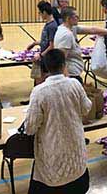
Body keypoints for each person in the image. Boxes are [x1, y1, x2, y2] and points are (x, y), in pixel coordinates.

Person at [25, 49, 92, 194]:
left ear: (46, 68)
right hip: (77, 156)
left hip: (53, 159)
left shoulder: (39, 92)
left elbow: (30, 128)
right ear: (64, 65)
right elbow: (86, 108)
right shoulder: (74, 84)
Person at [54, 7, 107, 84]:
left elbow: (92, 29)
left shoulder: (72, 28)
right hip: (71, 76)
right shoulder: (65, 35)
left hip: (74, 73)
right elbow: (61, 60)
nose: (78, 18)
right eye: (76, 16)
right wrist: (67, 81)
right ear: (68, 18)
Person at [27, 1, 58, 85]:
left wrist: (40, 55)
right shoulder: (48, 24)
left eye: (39, 13)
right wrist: (34, 43)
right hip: (44, 58)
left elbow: (52, 45)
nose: (39, 15)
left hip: (47, 59)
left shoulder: (52, 26)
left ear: (44, 12)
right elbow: (46, 41)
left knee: (40, 83)